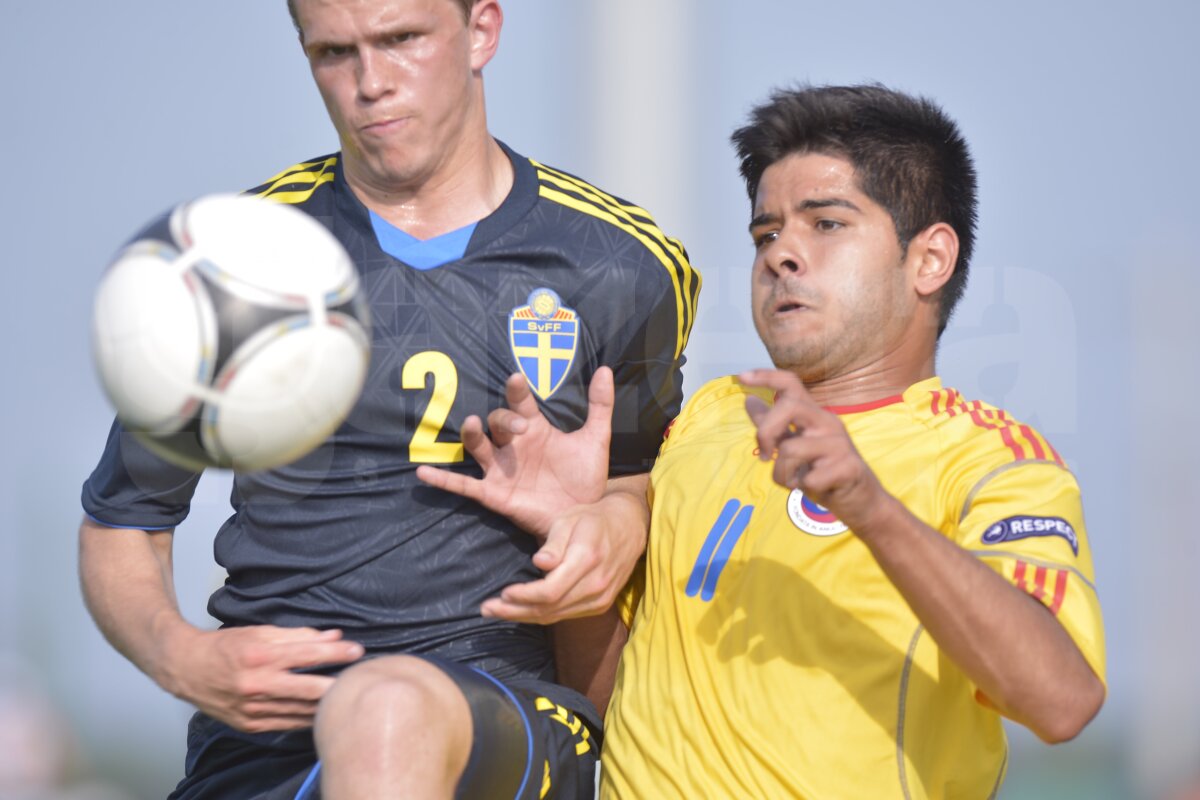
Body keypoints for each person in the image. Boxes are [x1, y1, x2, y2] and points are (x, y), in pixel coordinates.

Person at [77, 1, 699, 797]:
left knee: (388, 709)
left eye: (401, 39)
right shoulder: (241, 260)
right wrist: (181, 655)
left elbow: (645, 475)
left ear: (482, 31)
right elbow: (126, 516)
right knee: (374, 715)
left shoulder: (622, 267)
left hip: (513, 716)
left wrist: (619, 515)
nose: (370, 83)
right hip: (271, 736)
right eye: (335, 53)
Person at [422, 84, 1106, 798]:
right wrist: (578, 541)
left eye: (827, 224)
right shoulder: (705, 423)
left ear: (929, 259)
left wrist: (866, 503)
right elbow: (615, 702)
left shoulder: (990, 462)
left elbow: (1062, 702)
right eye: (765, 233)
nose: (782, 254)